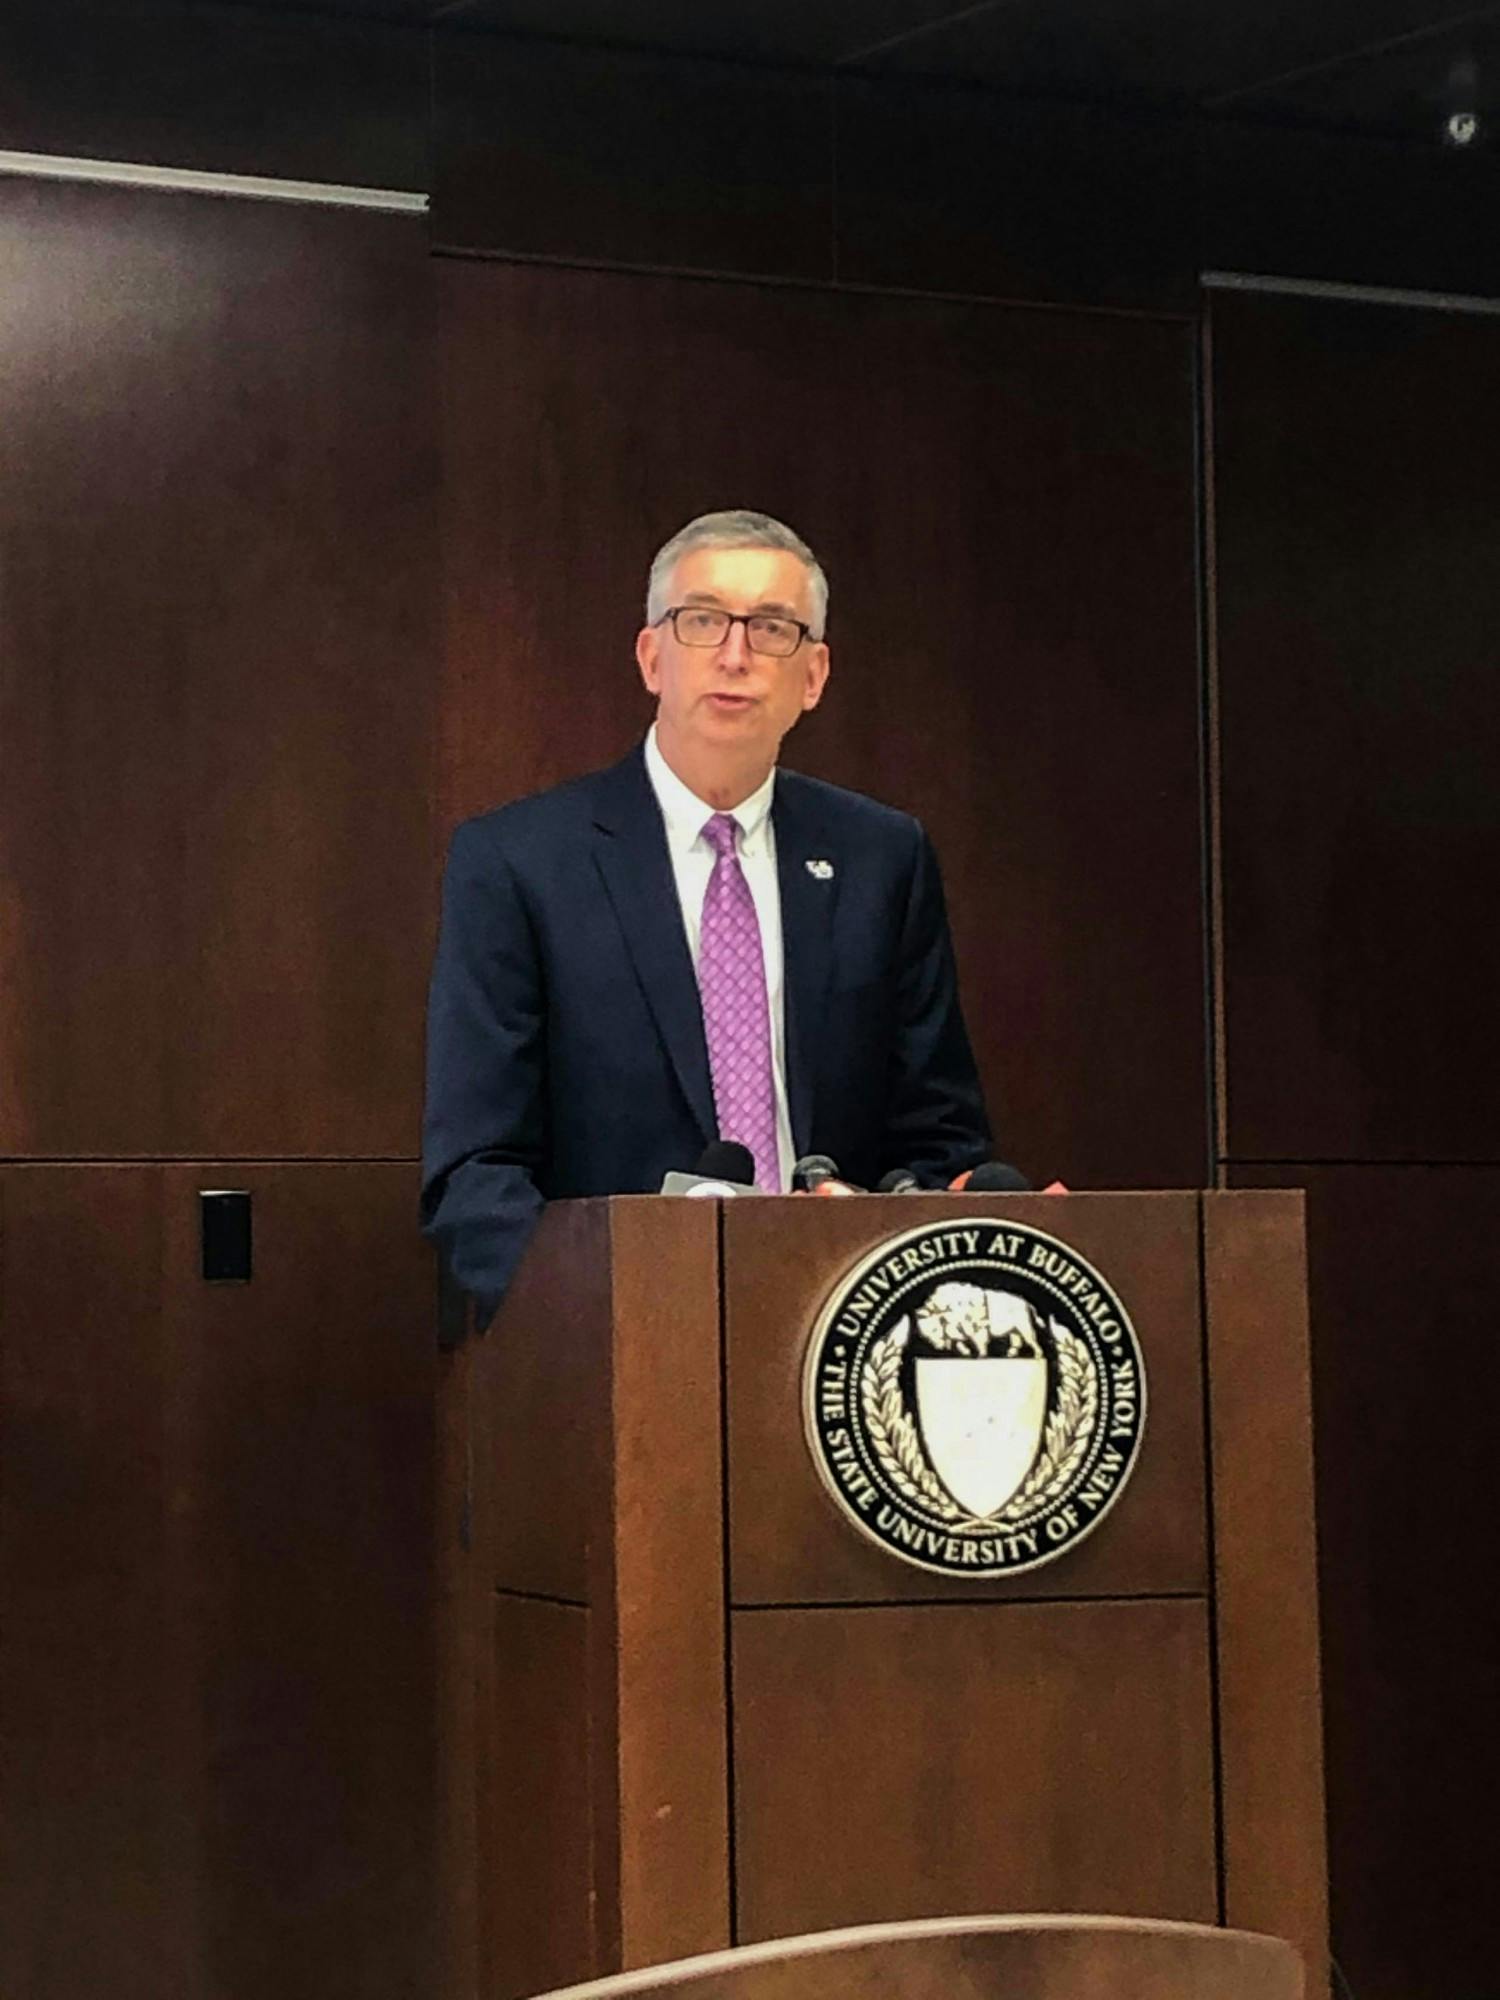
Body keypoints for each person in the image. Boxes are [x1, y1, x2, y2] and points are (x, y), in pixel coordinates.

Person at [421, 509, 990, 1323]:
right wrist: (600, 1311)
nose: (735, 654)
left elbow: (941, 1139)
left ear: (816, 675)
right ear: (653, 657)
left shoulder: (881, 859)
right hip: (616, 1339)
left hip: (838, 1325)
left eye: (772, 628)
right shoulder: (519, 862)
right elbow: (475, 1172)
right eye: (703, 621)